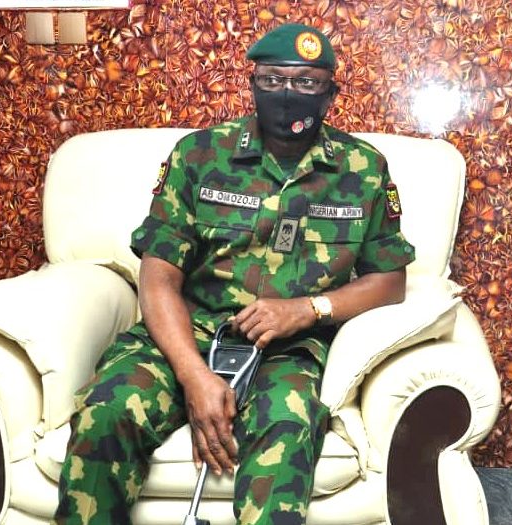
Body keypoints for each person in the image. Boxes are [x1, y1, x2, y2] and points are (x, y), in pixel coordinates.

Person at [53, 23, 415, 525]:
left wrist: (308, 309)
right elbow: (158, 278)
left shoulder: (364, 169)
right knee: (106, 412)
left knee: (287, 427)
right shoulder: (200, 155)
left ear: (331, 93)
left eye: (306, 82)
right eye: (272, 80)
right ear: (252, 85)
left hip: (288, 346)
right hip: (189, 331)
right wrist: (194, 376)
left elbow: (390, 281)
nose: (288, 93)